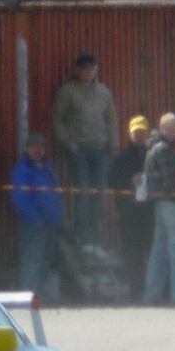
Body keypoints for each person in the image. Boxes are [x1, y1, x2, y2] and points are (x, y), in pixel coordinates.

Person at [51, 53, 118, 248]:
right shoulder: (67, 91)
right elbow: (57, 119)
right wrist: (67, 142)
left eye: (92, 68)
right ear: (77, 70)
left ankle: (95, 240)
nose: (88, 72)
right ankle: (82, 238)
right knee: (83, 194)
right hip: (79, 150)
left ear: (96, 70)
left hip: (100, 151)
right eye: (85, 69)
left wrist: (113, 146)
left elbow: (111, 120)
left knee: (99, 195)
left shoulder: (104, 92)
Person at [142, 112, 175, 306]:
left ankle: (151, 294)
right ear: (162, 129)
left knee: (160, 250)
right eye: (170, 129)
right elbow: (170, 180)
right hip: (172, 203)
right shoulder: (164, 149)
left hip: (160, 203)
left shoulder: (154, 148)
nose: (174, 133)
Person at [10, 130, 64, 297]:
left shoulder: (47, 168)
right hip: (35, 225)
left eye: (41, 147)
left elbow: (56, 193)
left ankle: (41, 298)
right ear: (27, 149)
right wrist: (35, 219)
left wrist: (59, 214)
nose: (37, 150)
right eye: (34, 147)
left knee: (45, 263)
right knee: (32, 262)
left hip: (51, 224)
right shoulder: (22, 170)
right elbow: (21, 199)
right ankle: (29, 297)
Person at [109, 115, 154, 300]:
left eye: (143, 132)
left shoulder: (153, 154)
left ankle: (150, 289)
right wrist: (129, 182)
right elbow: (111, 182)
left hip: (149, 211)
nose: (140, 135)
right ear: (130, 133)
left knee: (150, 250)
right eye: (136, 132)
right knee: (132, 251)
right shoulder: (122, 157)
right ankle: (135, 290)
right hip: (129, 213)